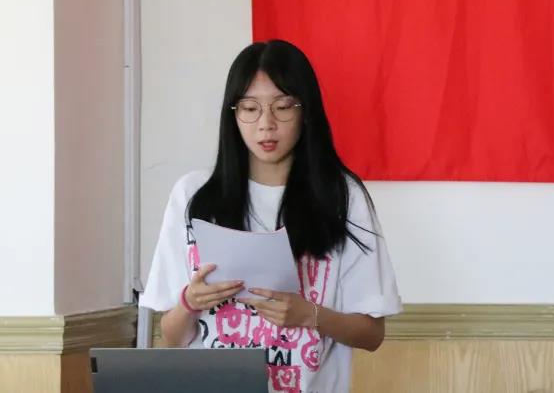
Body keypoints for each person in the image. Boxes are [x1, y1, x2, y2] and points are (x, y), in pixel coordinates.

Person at [140, 39, 402, 393]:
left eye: (282, 107)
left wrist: (309, 315)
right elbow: (172, 337)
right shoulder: (193, 196)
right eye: (250, 108)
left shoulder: (342, 197)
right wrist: (190, 302)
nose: (266, 124)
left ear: (305, 111)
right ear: (233, 114)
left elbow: (372, 334)